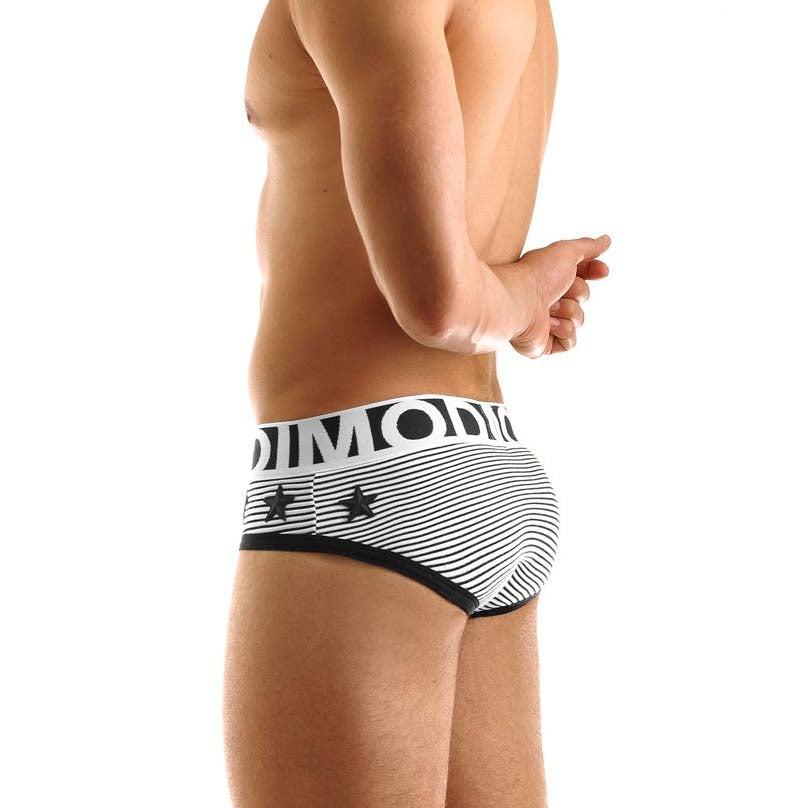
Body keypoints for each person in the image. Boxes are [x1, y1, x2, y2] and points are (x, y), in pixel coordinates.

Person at [224, 0, 610, 805]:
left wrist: (518, 298)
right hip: (480, 460)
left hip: (355, 476)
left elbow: (440, 305)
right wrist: (517, 301)